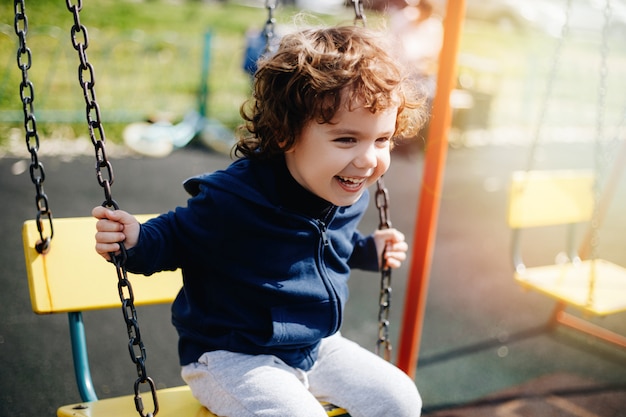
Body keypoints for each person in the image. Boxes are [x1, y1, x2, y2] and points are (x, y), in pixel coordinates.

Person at [93, 25, 426, 417]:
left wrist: (369, 251)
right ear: (287, 133)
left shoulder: (345, 193)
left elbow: (328, 244)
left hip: (313, 345)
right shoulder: (234, 198)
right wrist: (134, 241)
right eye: (346, 140)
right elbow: (175, 236)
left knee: (399, 399)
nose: (369, 159)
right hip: (233, 357)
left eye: (382, 140)